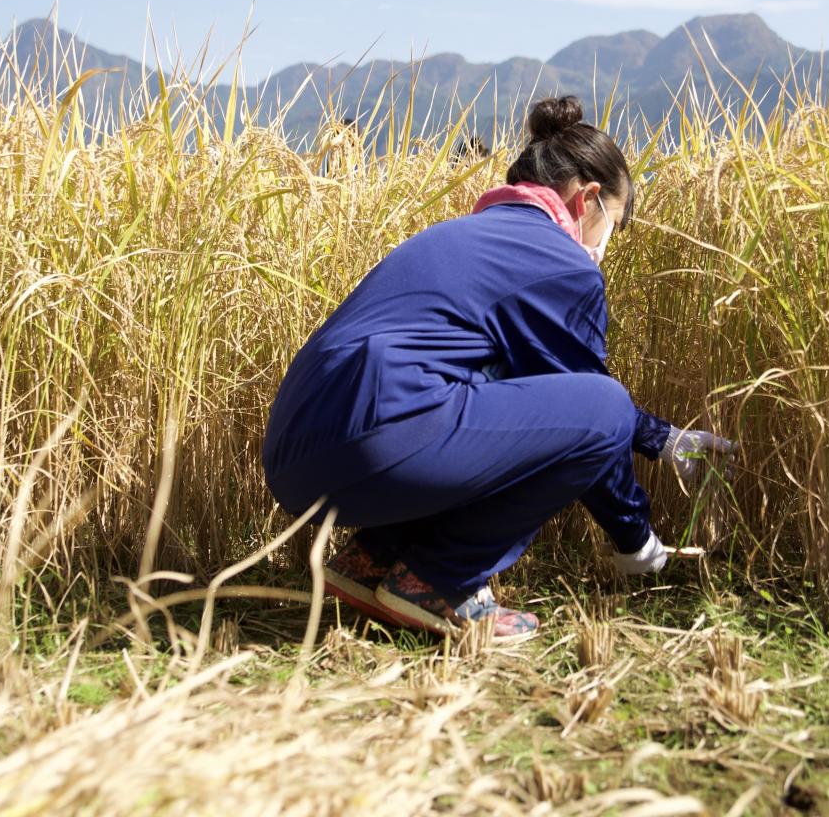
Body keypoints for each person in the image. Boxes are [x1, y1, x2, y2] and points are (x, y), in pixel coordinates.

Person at [260, 96, 732, 641]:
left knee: (492, 386)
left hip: (295, 464)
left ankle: (369, 563)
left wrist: (665, 440)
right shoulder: (563, 262)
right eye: (614, 227)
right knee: (605, 404)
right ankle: (438, 579)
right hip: (379, 446)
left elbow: (539, 386)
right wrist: (637, 543)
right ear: (588, 200)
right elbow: (596, 413)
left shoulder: (456, 235)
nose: (604, 248)